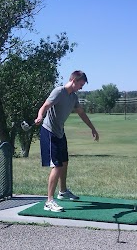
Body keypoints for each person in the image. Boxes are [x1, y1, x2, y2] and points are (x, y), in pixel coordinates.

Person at [34, 70, 99, 212]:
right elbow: (44, 106)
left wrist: (92, 128)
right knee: (56, 165)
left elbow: (82, 113)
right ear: (74, 80)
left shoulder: (73, 97)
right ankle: (49, 201)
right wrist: (40, 116)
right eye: (80, 84)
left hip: (60, 132)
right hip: (49, 131)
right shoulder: (59, 92)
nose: (81, 88)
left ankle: (62, 191)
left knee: (64, 162)